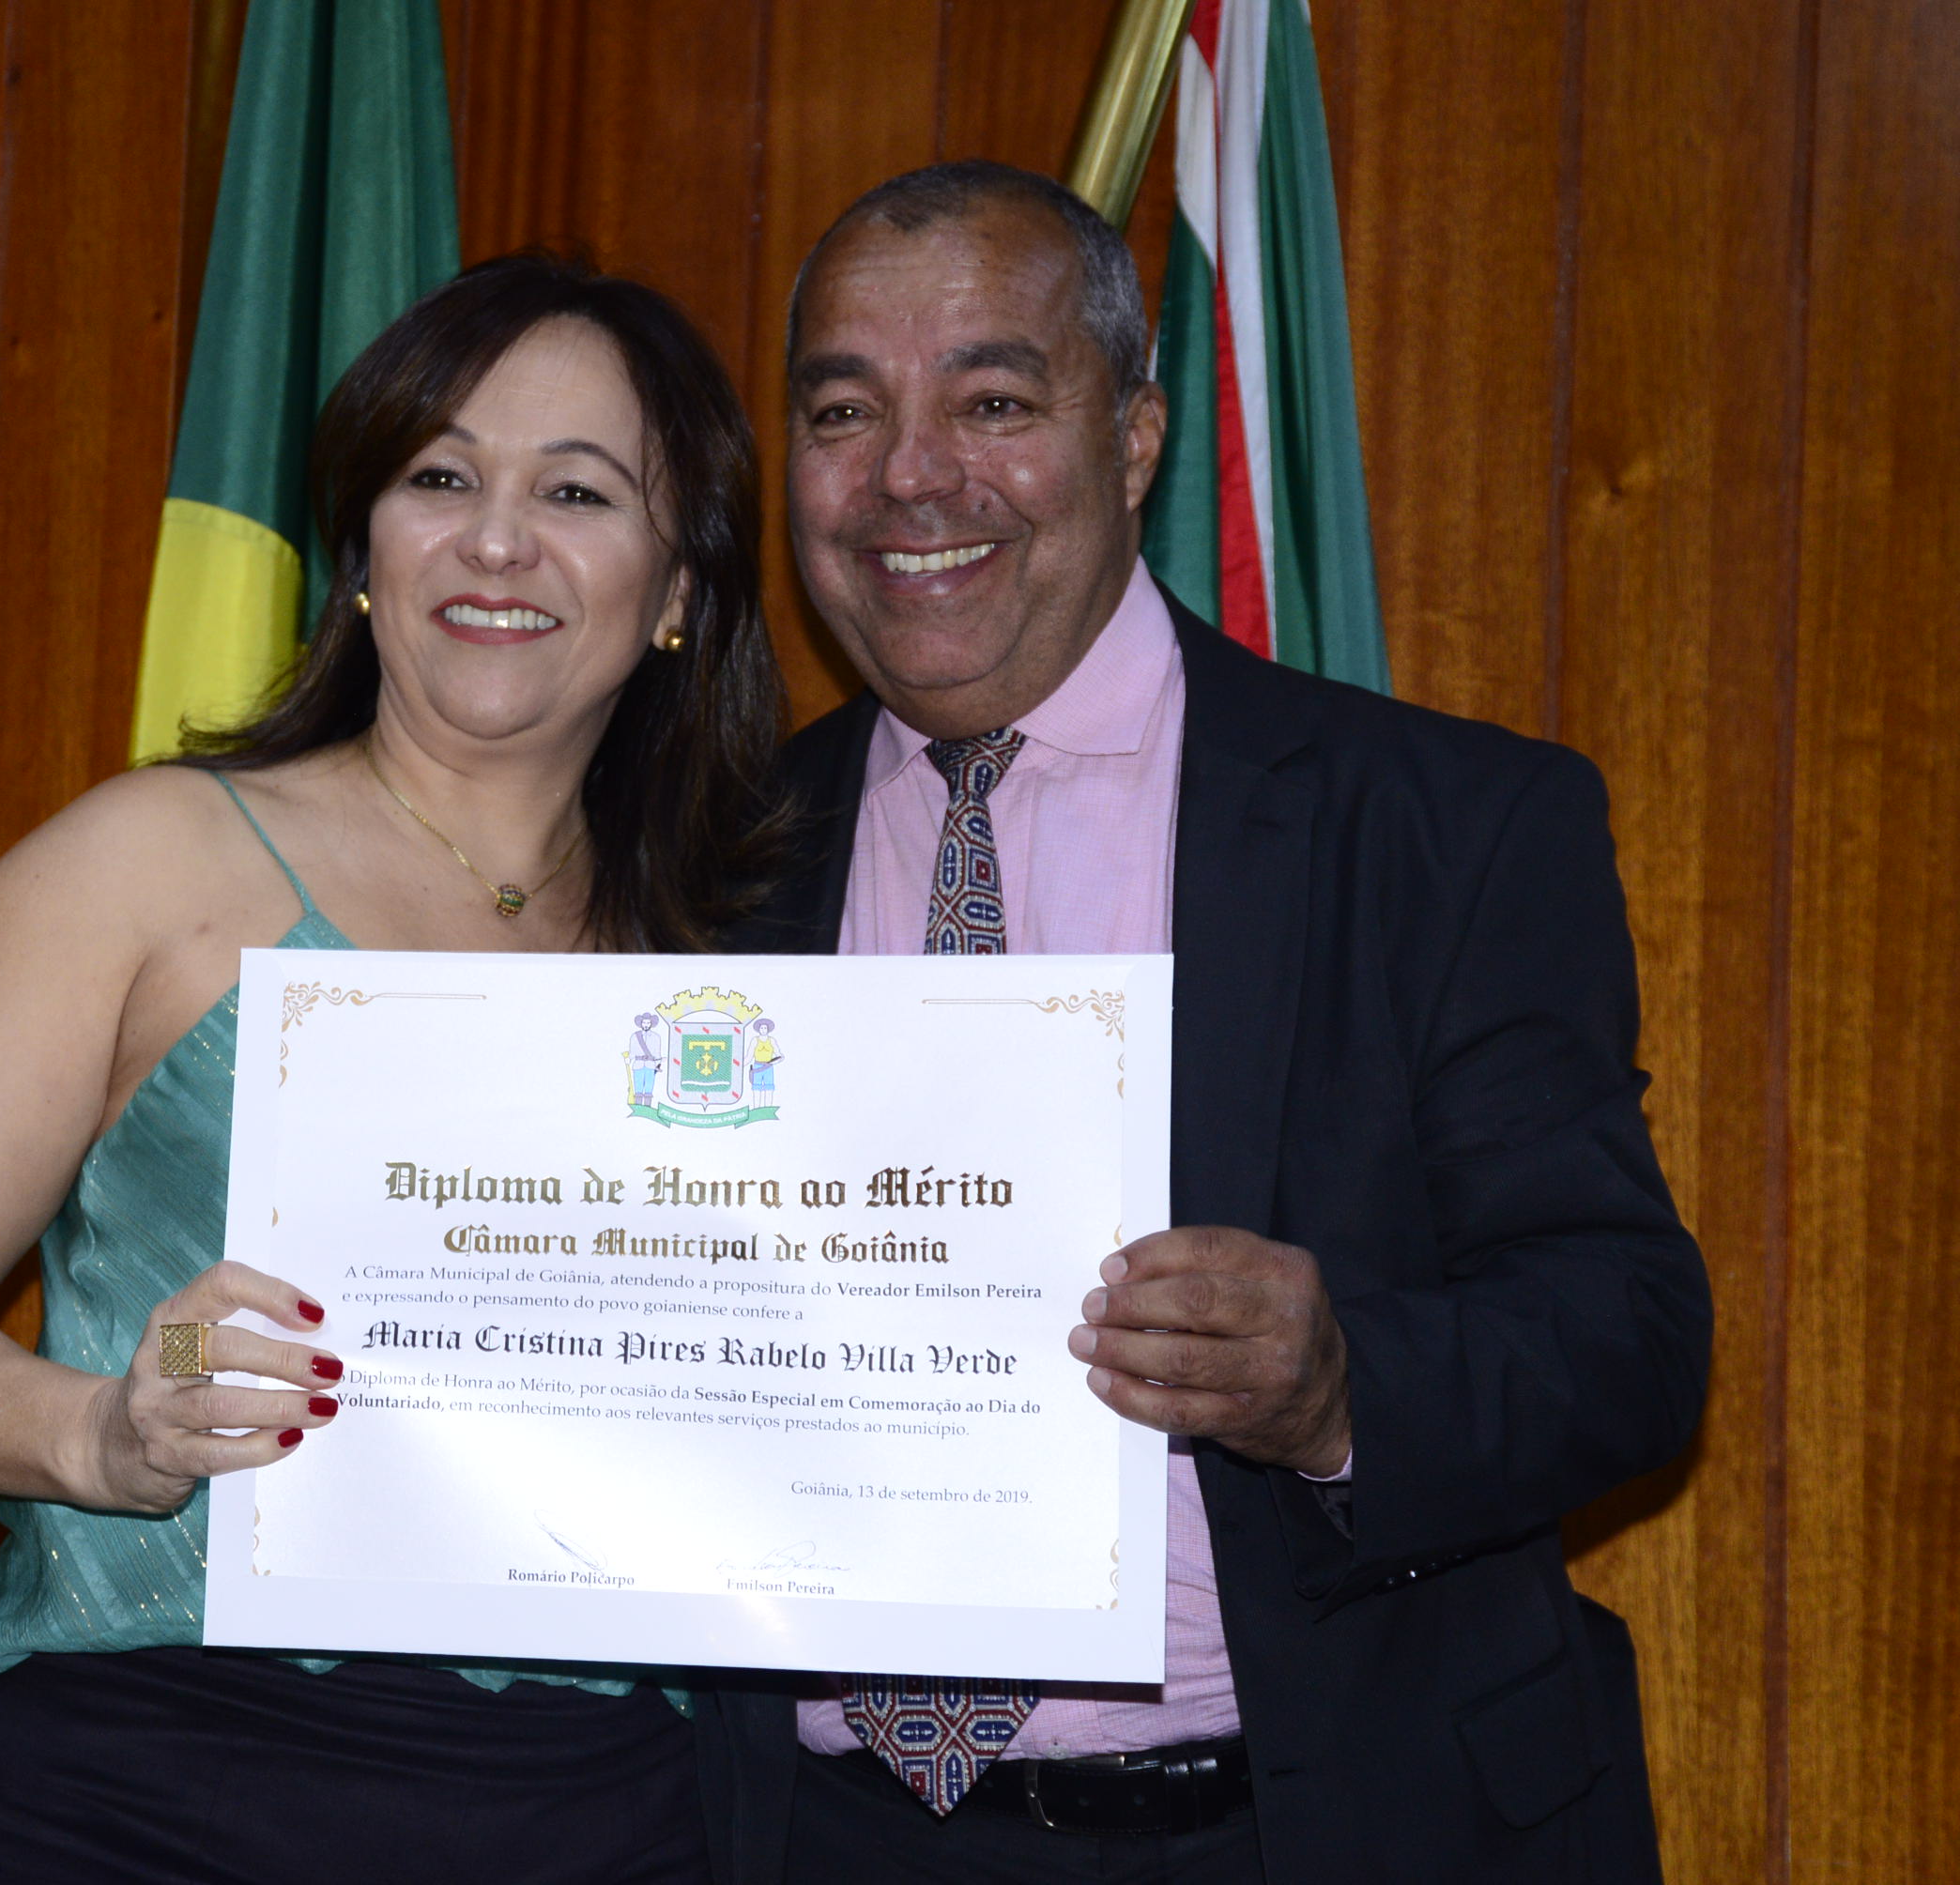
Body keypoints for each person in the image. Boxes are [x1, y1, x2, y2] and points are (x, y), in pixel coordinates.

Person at [699, 161, 1712, 1884]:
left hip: (1308, 1826)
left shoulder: (1443, 827)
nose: (910, 475)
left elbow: (1627, 1335)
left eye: (994, 402)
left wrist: (1337, 1389)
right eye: (843, 410)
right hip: (821, 1836)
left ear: (1137, 440)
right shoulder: (703, 861)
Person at [0, 252, 787, 1885]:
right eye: (440, 477)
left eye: (578, 491)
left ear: (678, 591)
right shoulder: (154, 859)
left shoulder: (748, 987)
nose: (497, 539)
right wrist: (99, 1437)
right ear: (366, 550)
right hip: (135, 1781)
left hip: (603, 1805)